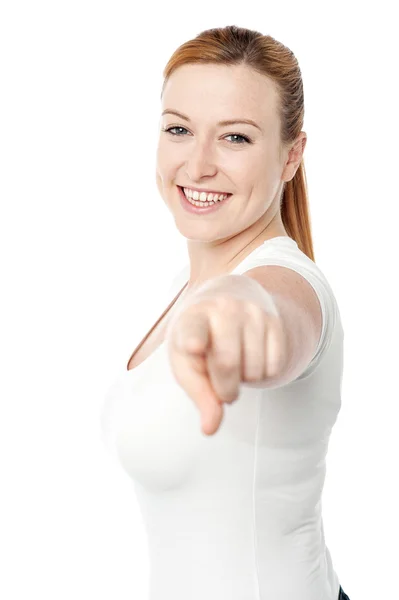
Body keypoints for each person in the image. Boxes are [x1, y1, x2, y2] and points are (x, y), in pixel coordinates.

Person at [100, 25, 350, 600]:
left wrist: (239, 310)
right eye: (179, 129)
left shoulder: (289, 282)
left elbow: (272, 312)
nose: (199, 164)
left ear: (292, 156)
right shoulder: (180, 286)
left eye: (235, 138)